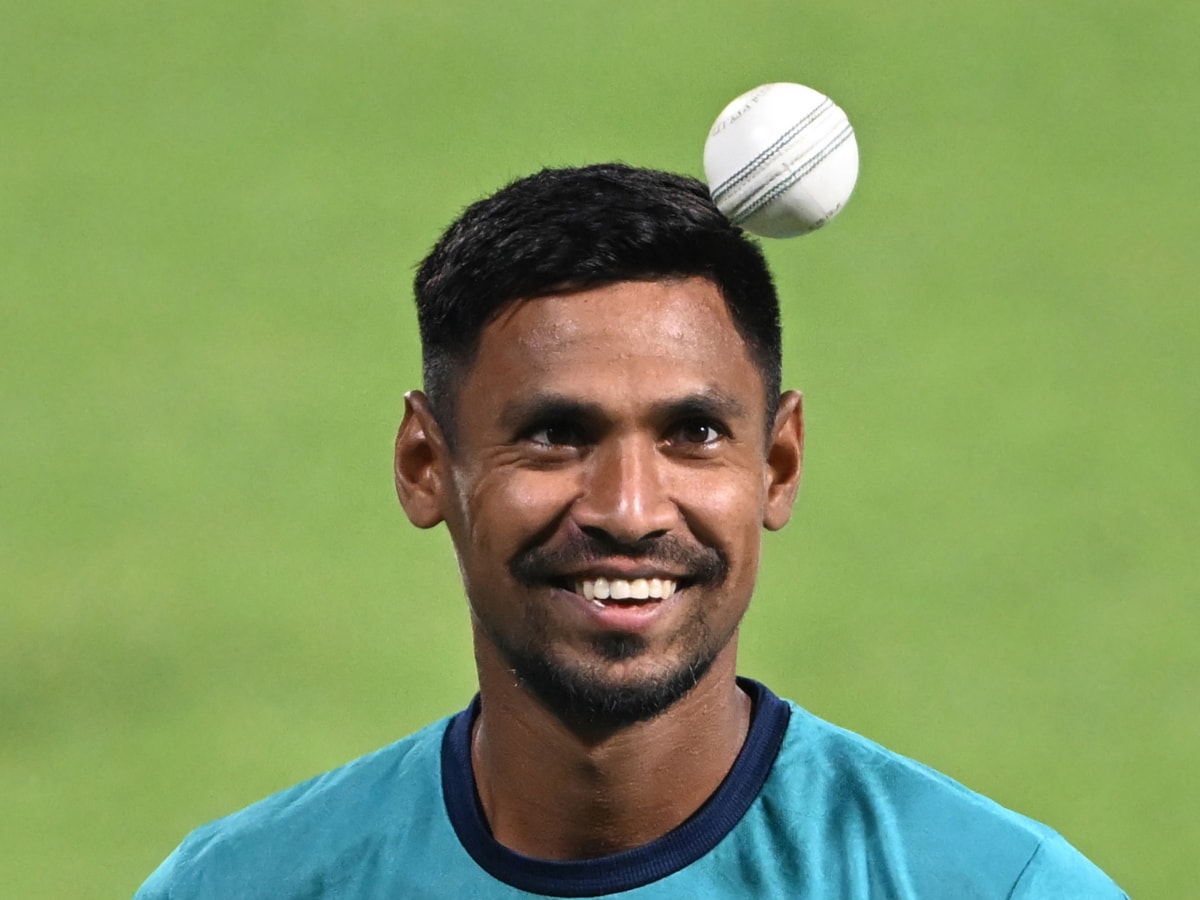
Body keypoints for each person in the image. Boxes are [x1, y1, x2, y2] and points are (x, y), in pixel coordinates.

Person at [135, 164, 1128, 898]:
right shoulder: (240, 887)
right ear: (426, 464)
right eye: (554, 435)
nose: (628, 509)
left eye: (694, 433)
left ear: (778, 465)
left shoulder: (995, 888)